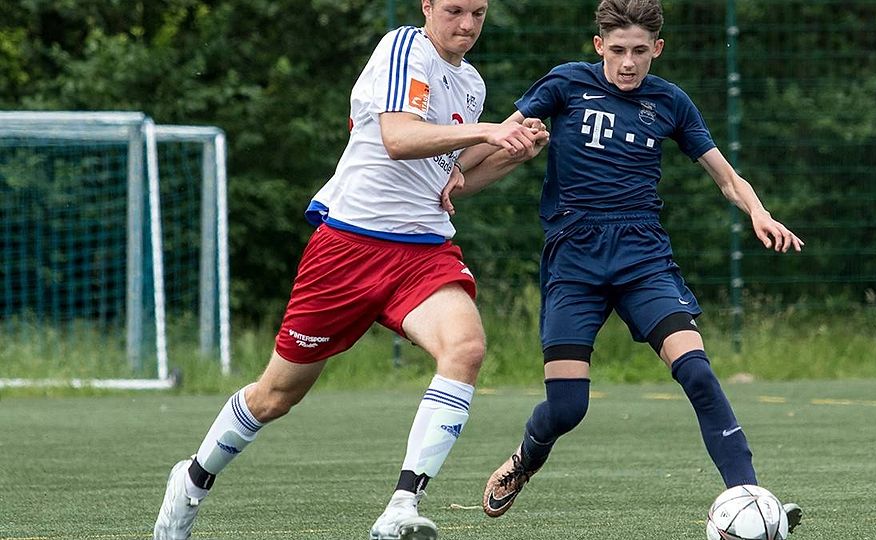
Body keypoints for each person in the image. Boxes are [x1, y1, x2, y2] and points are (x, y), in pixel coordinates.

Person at [151, 1, 547, 540]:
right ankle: (193, 480)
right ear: (427, 6)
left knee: (466, 348)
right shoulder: (405, 48)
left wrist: (510, 152)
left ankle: (401, 507)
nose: (467, 25)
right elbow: (399, 138)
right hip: (349, 249)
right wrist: (488, 132)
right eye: (454, 10)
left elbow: (451, 184)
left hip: (422, 253)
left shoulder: (471, 83)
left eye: (478, 12)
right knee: (276, 395)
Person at [445, 0, 804, 532]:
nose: (628, 62)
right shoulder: (566, 83)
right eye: (617, 50)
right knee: (568, 407)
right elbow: (501, 132)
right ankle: (525, 457)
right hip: (574, 259)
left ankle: (748, 495)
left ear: (657, 48)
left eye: (640, 51)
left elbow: (726, 176)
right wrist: (454, 172)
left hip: (643, 257)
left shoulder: (671, 102)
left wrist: (759, 212)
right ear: (599, 46)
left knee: (697, 372)